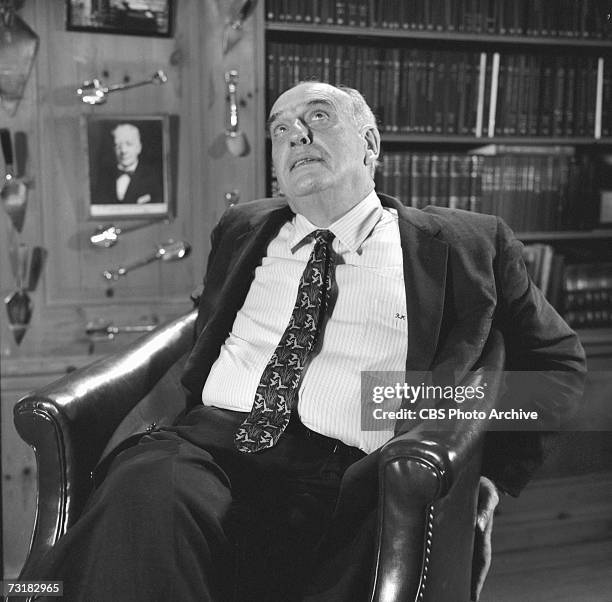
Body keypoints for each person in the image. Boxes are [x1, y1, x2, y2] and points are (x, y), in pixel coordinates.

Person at [40, 82, 586, 601]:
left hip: (348, 473)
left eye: (318, 117)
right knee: (142, 492)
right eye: (281, 129)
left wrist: (482, 470)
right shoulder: (242, 227)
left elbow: (555, 362)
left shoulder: (467, 244)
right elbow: (201, 327)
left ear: (370, 143)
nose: (296, 134)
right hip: (208, 442)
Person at [91, 122, 163, 205]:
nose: (123, 151)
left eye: (129, 144)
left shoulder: (153, 177)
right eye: (118, 145)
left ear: (139, 148)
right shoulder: (102, 178)